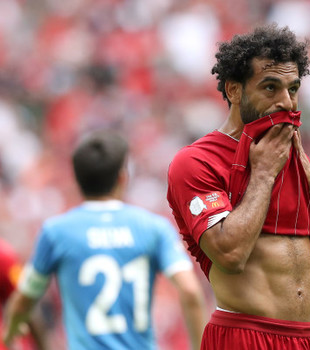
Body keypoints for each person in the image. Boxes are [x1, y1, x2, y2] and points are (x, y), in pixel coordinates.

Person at [167, 24, 310, 349]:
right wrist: (264, 173)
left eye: (292, 89)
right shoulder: (196, 161)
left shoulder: (292, 156)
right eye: (270, 88)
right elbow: (231, 254)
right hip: (245, 335)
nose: (286, 102)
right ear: (235, 91)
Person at [3, 130, 207, 350]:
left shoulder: (56, 232)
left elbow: (24, 299)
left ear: (77, 179)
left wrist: (12, 331)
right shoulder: (153, 227)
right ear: (122, 177)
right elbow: (191, 292)